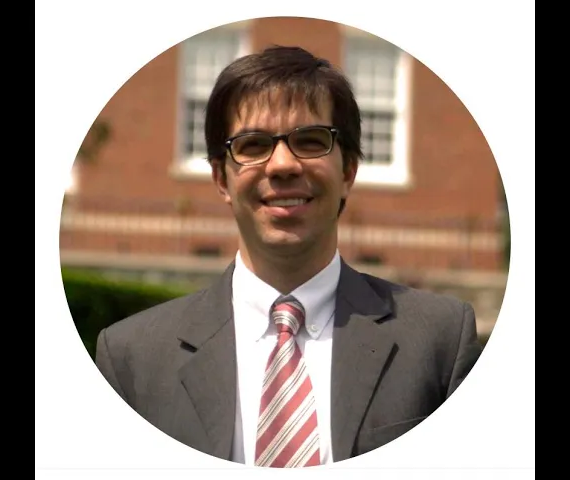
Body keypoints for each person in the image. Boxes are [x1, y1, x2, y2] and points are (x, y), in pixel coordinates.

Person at [94, 45, 484, 468]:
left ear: (348, 171)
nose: (282, 165)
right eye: (253, 144)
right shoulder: (133, 357)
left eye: (310, 141)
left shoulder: (438, 342)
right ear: (221, 178)